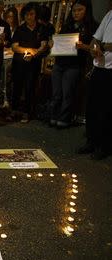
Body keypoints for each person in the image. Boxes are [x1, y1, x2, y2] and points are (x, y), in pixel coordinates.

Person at [49, 0, 97, 128]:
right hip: (60, 62)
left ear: (86, 11)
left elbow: (95, 48)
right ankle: (53, 116)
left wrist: (83, 46)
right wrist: (53, 44)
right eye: (74, 10)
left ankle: (64, 119)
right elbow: (59, 41)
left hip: (74, 64)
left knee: (67, 92)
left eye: (79, 10)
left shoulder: (92, 27)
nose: (76, 13)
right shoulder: (67, 25)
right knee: (56, 93)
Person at [77, 0, 112, 160]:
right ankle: (91, 141)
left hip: (111, 70)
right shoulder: (109, 15)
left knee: (106, 109)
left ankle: (103, 145)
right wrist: (94, 49)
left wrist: (103, 47)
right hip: (99, 67)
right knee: (92, 105)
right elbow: (96, 39)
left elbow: (109, 45)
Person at [11, 2, 49, 123]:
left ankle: (27, 112)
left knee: (30, 87)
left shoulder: (42, 28)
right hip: (19, 63)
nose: (29, 17)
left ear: (36, 14)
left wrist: (34, 54)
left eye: (31, 14)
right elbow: (14, 47)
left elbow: (43, 46)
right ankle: (14, 110)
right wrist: (28, 50)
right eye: (26, 14)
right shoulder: (20, 29)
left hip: (33, 64)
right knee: (16, 86)